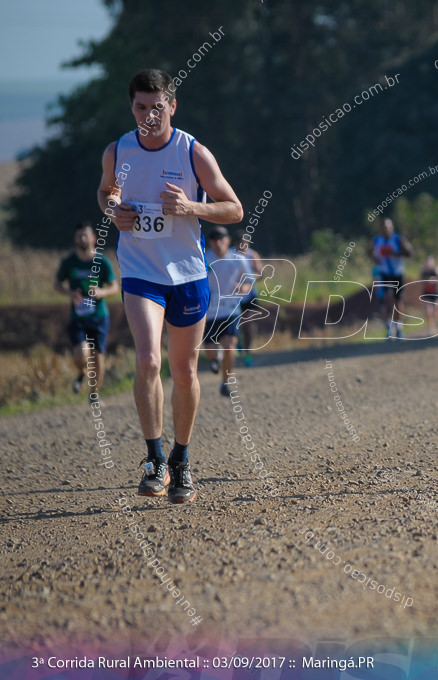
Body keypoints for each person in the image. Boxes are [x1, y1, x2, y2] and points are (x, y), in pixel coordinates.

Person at [97, 68, 243, 503]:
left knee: (184, 372)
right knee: (147, 360)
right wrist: (112, 210)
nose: (148, 116)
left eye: (156, 108)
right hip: (141, 272)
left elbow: (233, 209)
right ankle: (154, 458)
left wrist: (190, 206)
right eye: (140, 108)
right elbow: (106, 192)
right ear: (132, 107)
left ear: (172, 106)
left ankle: (181, 460)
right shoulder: (118, 150)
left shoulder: (193, 152)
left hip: (189, 275)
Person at [54, 221, 119, 401]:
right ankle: (82, 373)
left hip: (99, 316)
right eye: (79, 235)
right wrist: (69, 293)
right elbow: (56, 284)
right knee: (80, 354)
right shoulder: (69, 262)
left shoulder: (102, 262)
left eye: (85, 235)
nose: (82, 238)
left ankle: (94, 394)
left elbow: (115, 287)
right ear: (75, 239)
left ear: (93, 238)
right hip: (78, 317)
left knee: (98, 356)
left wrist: (101, 292)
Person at [203, 226, 253, 395]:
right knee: (210, 351)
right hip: (209, 311)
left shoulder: (238, 259)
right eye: (214, 240)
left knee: (229, 345)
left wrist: (243, 288)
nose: (218, 243)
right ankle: (215, 358)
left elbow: (249, 280)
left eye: (221, 239)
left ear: (228, 241)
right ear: (210, 242)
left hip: (231, 309)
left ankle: (225, 383)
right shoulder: (204, 260)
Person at [368, 217, 413, 340]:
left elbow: (409, 252)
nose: (385, 230)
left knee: (398, 300)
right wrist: (374, 258)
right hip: (384, 273)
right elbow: (369, 252)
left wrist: (395, 253)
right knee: (387, 298)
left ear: (392, 228)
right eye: (383, 228)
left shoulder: (398, 239)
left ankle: (399, 327)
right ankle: (389, 327)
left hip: (397, 273)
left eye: (387, 228)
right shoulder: (377, 240)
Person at [235, 237, 264, 366]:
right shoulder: (230, 255)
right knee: (236, 324)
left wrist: (250, 277)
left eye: (246, 243)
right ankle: (238, 341)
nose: (243, 245)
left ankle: (247, 353)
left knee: (248, 324)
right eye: (241, 242)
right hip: (234, 296)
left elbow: (261, 273)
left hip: (250, 296)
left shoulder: (252, 255)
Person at [419, 255, 438, 335]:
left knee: (437, 310)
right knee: (429, 311)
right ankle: (431, 327)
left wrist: (435, 280)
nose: (429, 263)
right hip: (426, 293)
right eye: (427, 262)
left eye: (430, 261)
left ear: (433, 262)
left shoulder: (437, 270)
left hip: (435, 292)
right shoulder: (423, 271)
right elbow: (419, 281)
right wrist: (426, 281)